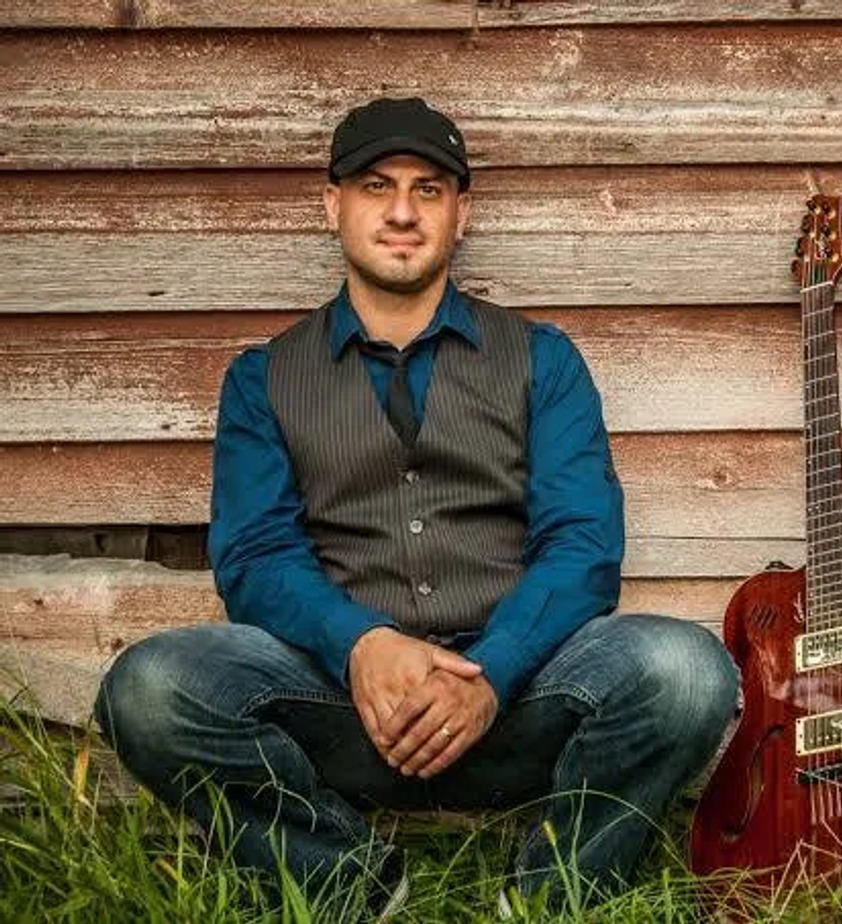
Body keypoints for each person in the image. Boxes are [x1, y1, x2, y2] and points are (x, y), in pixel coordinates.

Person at [95, 96, 739, 915]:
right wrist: (359, 644)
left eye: (428, 189)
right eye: (377, 186)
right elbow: (255, 557)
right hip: (342, 710)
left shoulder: (541, 359)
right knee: (149, 688)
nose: (402, 212)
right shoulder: (263, 378)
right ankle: (348, 877)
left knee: (685, 671)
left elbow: (582, 544)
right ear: (333, 205)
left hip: (520, 701)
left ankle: (549, 895)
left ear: (460, 214)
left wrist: (493, 674)